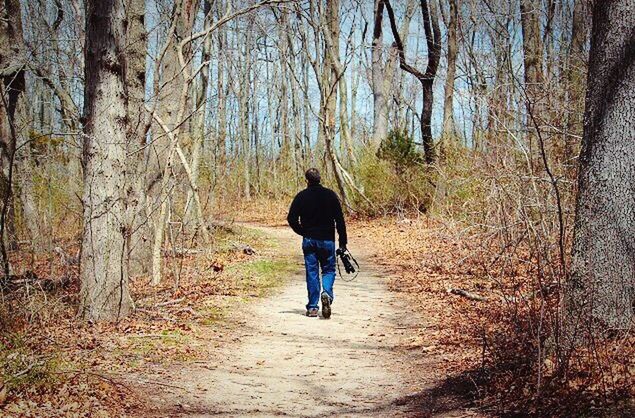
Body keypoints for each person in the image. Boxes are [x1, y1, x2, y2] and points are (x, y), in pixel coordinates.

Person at [287, 168, 347, 319]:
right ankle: (326, 292)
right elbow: (340, 220)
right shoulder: (330, 195)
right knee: (328, 270)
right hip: (327, 240)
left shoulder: (301, 196)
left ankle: (313, 307)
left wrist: (303, 232)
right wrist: (342, 242)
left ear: (306, 180)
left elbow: (291, 219)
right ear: (320, 178)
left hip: (309, 240)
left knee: (312, 272)